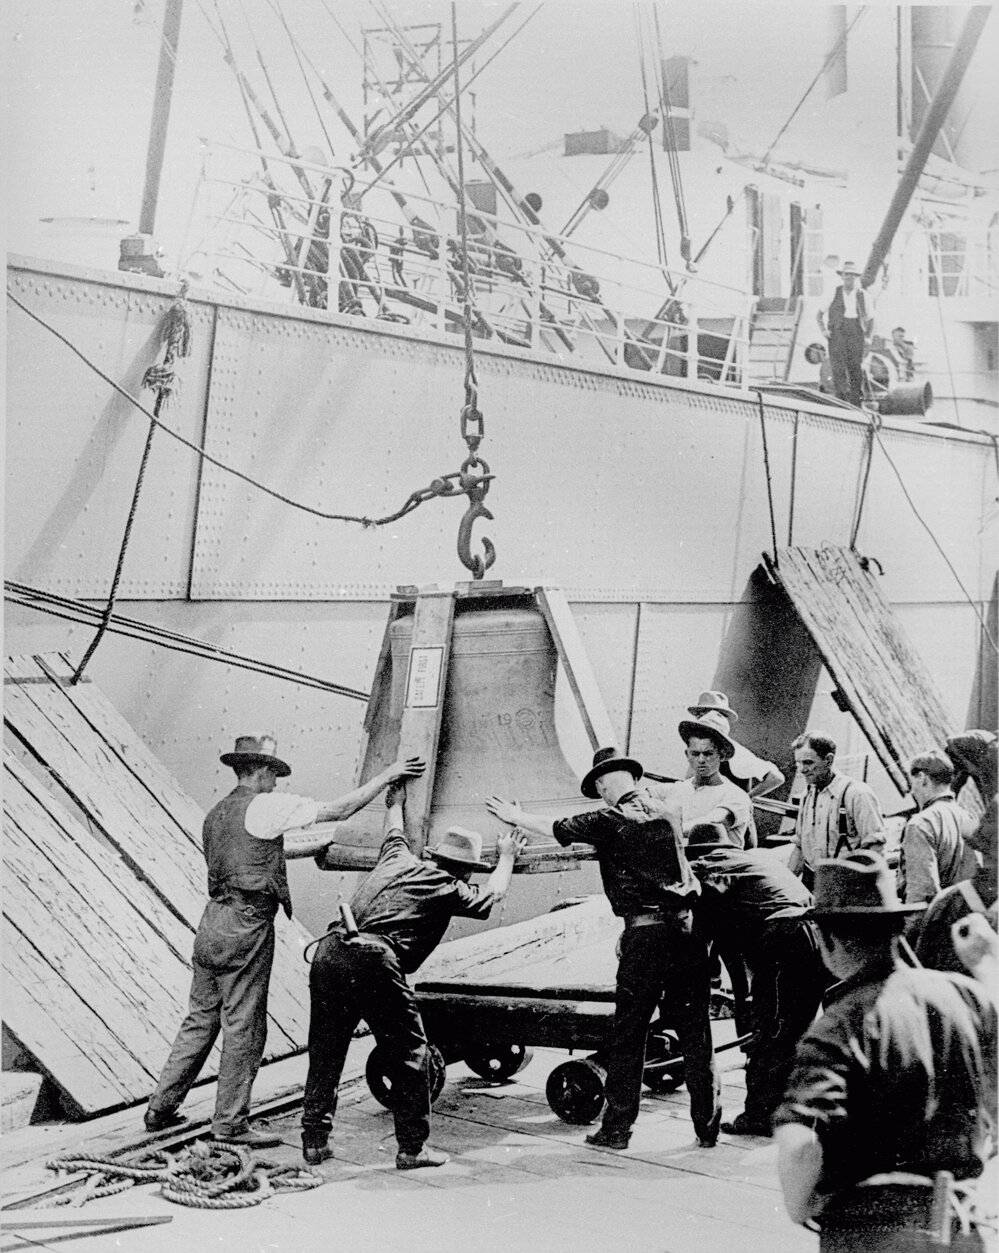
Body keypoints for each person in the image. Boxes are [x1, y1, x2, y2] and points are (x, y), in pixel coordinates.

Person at [144, 735, 426, 1147]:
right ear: (259, 772)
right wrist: (388, 776)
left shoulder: (218, 813)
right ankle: (230, 1125)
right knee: (244, 1026)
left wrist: (319, 847)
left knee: (200, 1018)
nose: (276, 784)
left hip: (213, 923)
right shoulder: (266, 805)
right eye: (273, 776)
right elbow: (338, 810)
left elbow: (260, 851)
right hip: (247, 925)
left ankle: (160, 1109)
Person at [486, 746, 720, 1151]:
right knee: (697, 1032)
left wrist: (514, 816)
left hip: (645, 938)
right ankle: (707, 1128)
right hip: (686, 931)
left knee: (629, 1035)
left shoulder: (609, 818)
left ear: (604, 785)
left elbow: (556, 826)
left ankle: (617, 1129)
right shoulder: (669, 810)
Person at [774, 851, 996, 1251]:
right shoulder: (964, 996)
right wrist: (988, 965)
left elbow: (799, 1144)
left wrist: (801, 1206)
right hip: (961, 1223)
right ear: (897, 927)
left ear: (828, 940)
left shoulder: (841, 1025)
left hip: (875, 1231)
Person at [301, 789, 524, 1169]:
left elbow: (394, 829)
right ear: (465, 870)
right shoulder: (448, 886)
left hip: (330, 950)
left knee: (326, 1051)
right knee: (409, 1053)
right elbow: (493, 894)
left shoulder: (398, 856)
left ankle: (315, 1142)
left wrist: (396, 801)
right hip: (373, 960)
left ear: (435, 855)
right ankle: (413, 1149)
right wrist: (506, 856)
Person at [685, 826, 826, 1138]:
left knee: (768, 1032)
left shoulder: (706, 869)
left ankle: (760, 1116)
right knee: (796, 1032)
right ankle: (796, 1113)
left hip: (785, 936)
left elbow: (713, 949)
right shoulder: (755, 861)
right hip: (820, 933)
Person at [684, 690, 785, 846]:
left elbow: (776, 777)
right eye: (700, 715)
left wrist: (747, 797)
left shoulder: (737, 754)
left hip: (732, 824)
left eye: (706, 714)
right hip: (711, 820)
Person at [787, 732, 885, 891]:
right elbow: (800, 847)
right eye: (798, 763)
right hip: (813, 882)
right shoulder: (807, 796)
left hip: (848, 884)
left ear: (829, 760)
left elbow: (875, 848)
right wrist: (786, 885)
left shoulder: (857, 794)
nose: (802, 770)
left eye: (808, 763)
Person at [643, 712, 753, 849]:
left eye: (708, 753)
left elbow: (711, 822)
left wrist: (660, 834)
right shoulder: (674, 789)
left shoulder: (736, 796)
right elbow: (637, 797)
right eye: (695, 754)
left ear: (722, 755)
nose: (701, 760)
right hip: (682, 866)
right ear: (687, 755)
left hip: (720, 866)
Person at [898, 750, 978, 905]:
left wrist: (911, 929)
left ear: (922, 779)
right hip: (966, 921)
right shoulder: (969, 818)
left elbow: (921, 894)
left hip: (935, 923)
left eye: (911, 782)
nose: (912, 790)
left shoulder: (921, 824)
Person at [817, 261, 872, 407]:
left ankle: (856, 402)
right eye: (847, 274)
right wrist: (824, 330)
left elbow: (871, 318)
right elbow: (819, 314)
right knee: (838, 368)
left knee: (855, 367)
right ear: (842, 276)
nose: (850, 278)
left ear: (856, 277)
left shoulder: (863, 295)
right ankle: (841, 402)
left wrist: (868, 337)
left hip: (856, 331)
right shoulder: (833, 292)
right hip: (837, 333)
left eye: (852, 275)